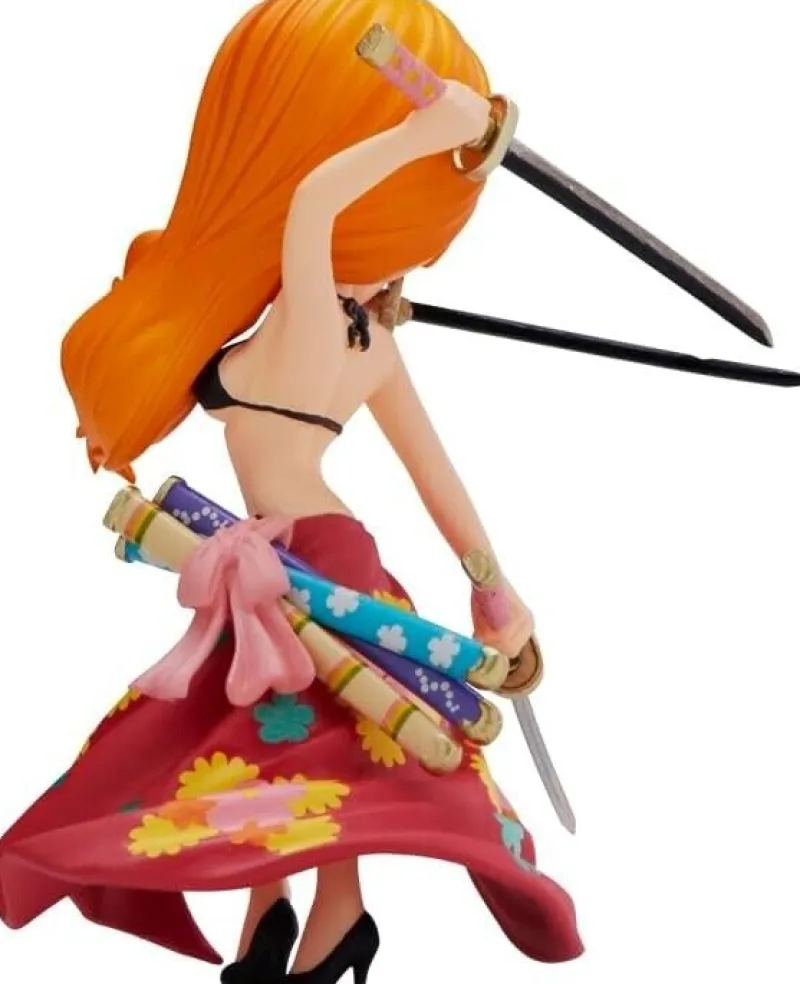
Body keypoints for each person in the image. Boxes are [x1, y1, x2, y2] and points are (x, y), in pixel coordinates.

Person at [0, 1, 582, 980]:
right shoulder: (360, 336)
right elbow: (433, 473)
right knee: (283, 747)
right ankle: (281, 918)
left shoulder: (326, 323)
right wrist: (488, 583)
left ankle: (328, 920)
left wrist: (423, 133)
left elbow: (311, 204)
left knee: (306, 748)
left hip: (312, 563)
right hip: (293, 558)